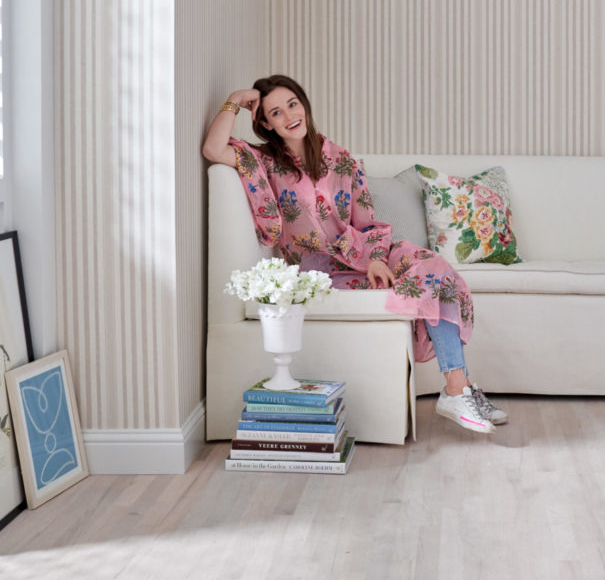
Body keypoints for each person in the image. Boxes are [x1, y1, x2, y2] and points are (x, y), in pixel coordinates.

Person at [202, 74, 507, 434]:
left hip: (366, 255)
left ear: (305, 104)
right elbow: (213, 149)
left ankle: (458, 389)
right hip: (320, 268)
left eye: (293, 104)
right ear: (266, 123)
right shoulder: (262, 161)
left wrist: (377, 257)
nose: (289, 116)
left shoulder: (339, 158)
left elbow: (366, 220)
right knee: (427, 282)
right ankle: (460, 389)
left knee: (435, 270)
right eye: (276, 112)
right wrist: (236, 100)